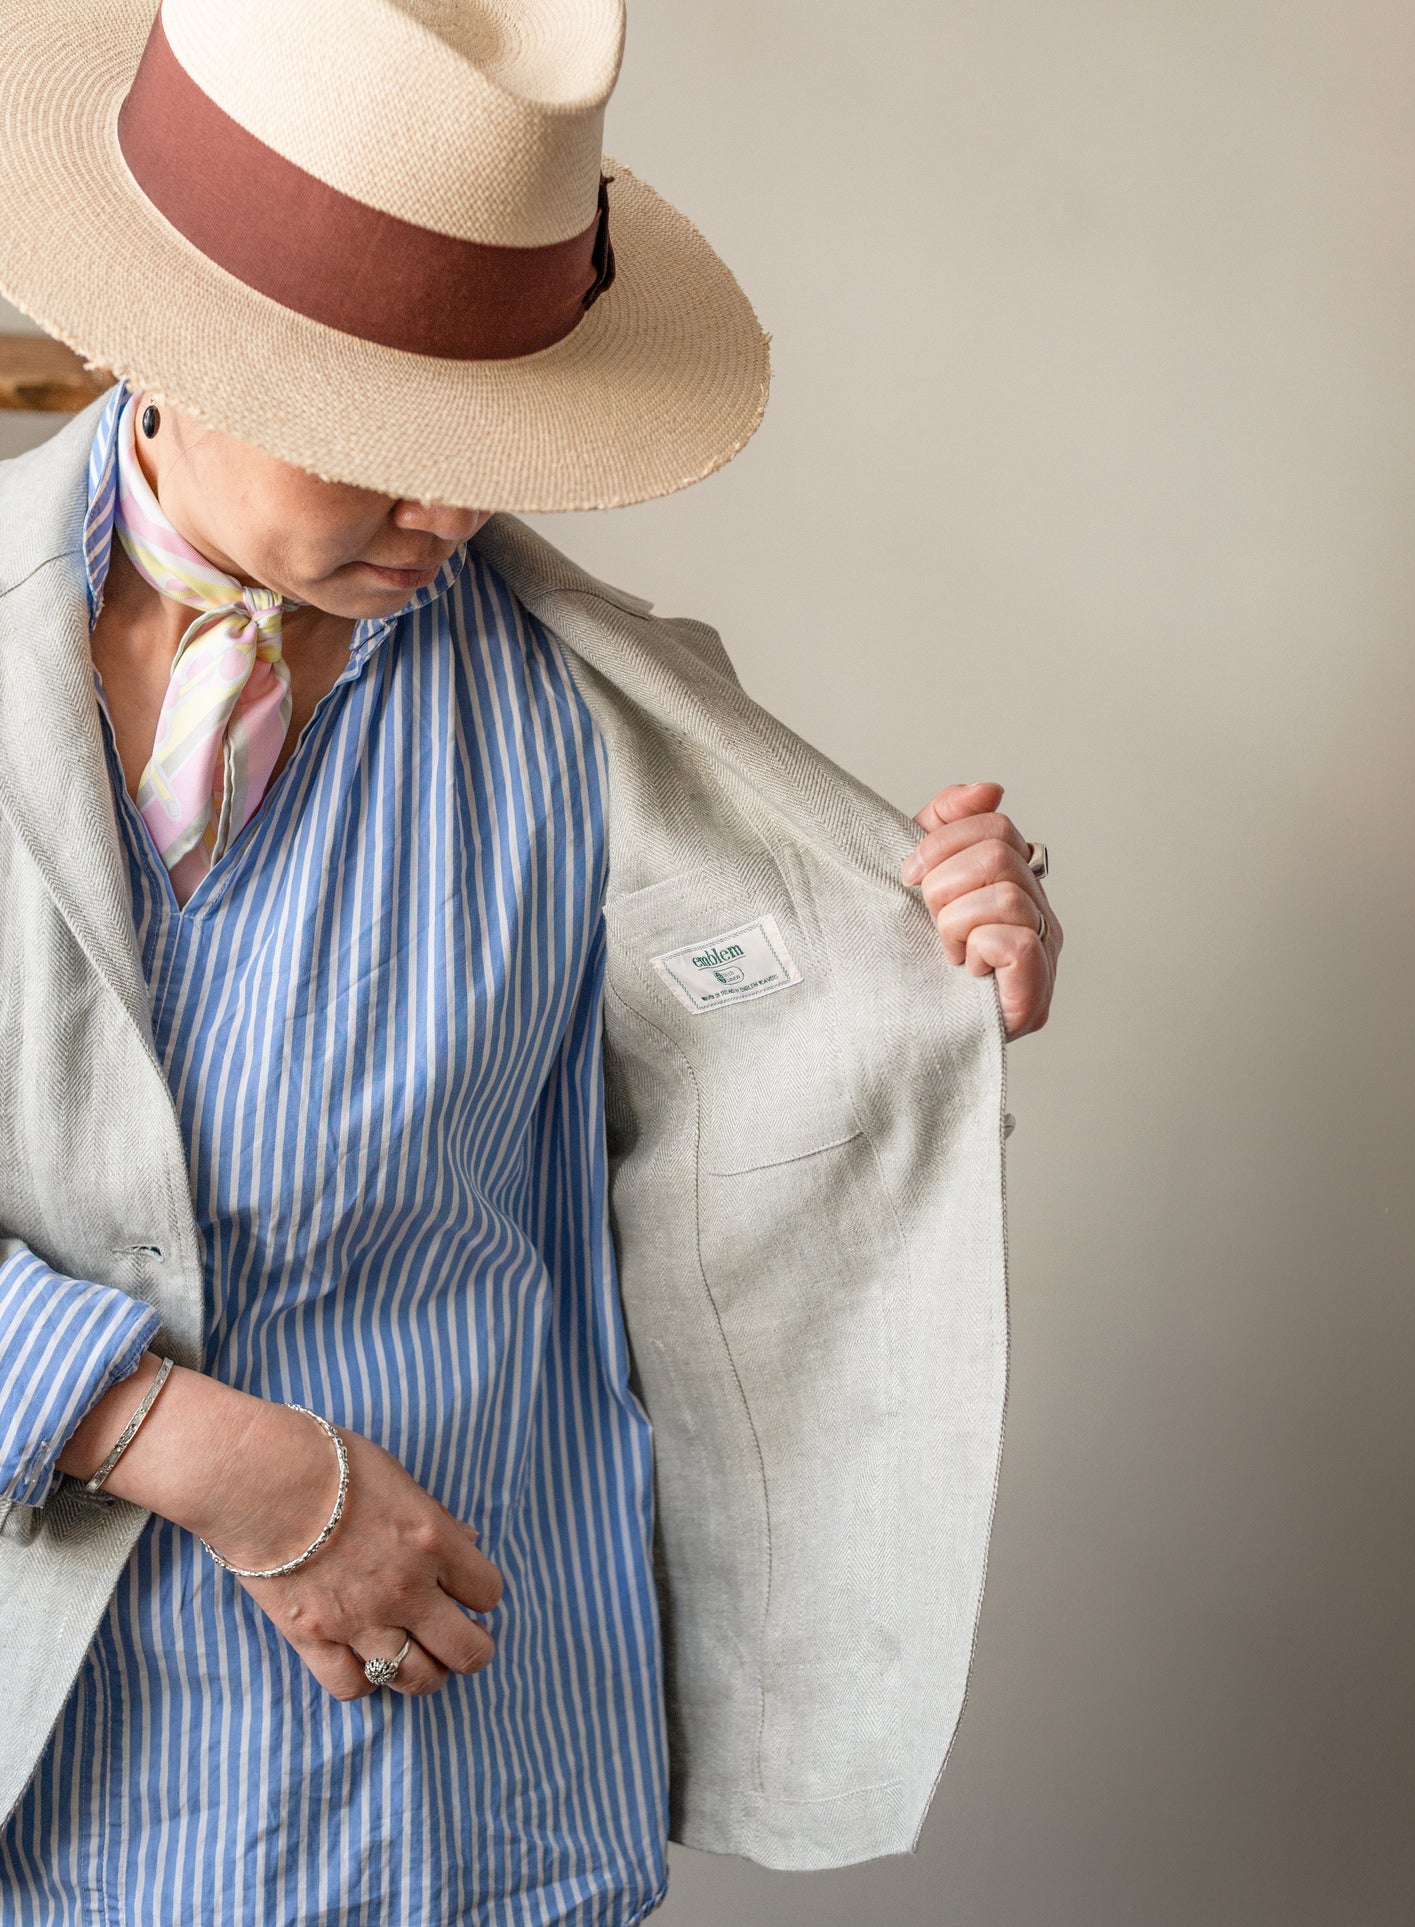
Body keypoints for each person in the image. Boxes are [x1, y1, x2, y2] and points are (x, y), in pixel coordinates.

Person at [0, 2, 1061, 1921]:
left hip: (494, 1806)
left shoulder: (609, 721)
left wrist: (940, 973)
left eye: (488, 440)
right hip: (55, 1808)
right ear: (181, 339)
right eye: (394, 439)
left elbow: (795, 1086)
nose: (454, 508)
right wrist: (177, 1440)